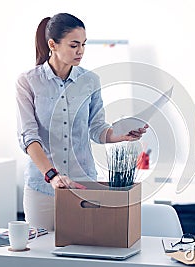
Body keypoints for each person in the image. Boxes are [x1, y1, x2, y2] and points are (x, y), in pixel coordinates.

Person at [16, 13, 147, 231]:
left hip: (83, 183)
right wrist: (52, 176)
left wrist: (119, 134)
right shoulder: (28, 82)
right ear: (53, 45)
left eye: (84, 45)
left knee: (83, 250)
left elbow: (97, 128)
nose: (81, 51)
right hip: (42, 187)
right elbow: (29, 138)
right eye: (74, 45)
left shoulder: (90, 81)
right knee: (39, 256)